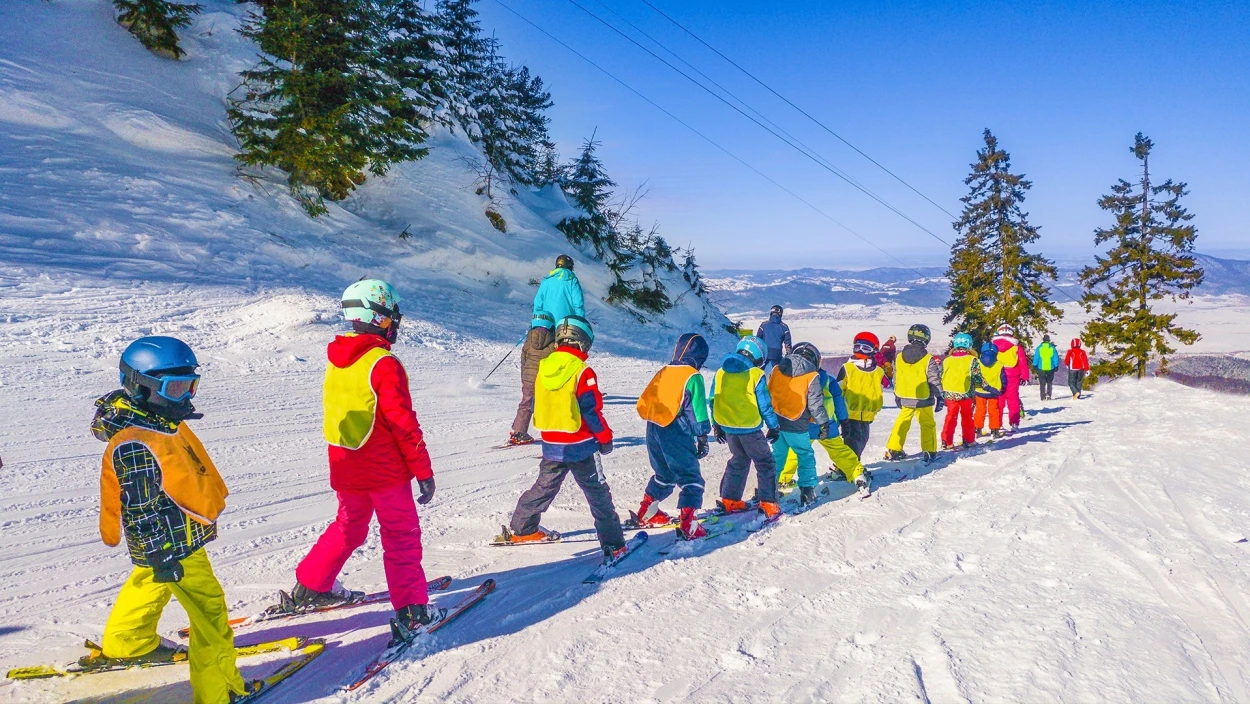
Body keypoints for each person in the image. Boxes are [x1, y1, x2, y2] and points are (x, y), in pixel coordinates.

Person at [91, 336, 251, 704]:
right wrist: (162, 555)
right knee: (211, 620)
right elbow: (139, 509)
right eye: (175, 389)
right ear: (141, 387)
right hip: (176, 545)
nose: (186, 398)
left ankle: (127, 642)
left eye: (190, 386)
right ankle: (219, 693)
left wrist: (155, 559)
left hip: (168, 540)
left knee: (149, 582)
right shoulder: (137, 442)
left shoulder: (154, 420)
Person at [282, 280, 440, 646]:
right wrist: (423, 471)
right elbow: (403, 424)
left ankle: (311, 584)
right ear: (379, 317)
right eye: (392, 317)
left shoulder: (337, 359)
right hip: (384, 471)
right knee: (400, 535)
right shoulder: (383, 363)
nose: (396, 324)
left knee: (349, 527)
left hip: (346, 465)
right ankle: (412, 610)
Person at [502, 316, 627, 562]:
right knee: (597, 492)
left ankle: (522, 527)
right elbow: (591, 411)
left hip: (551, 443)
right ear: (583, 343)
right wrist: (605, 438)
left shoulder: (544, 366)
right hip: (580, 445)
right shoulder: (582, 371)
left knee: (544, 486)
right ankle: (614, 544)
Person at [634, 333, 712, 539]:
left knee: (664, 474)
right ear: (699, 358)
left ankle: (647, 512)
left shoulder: (665, 370)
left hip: (653, 427)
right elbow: (696, 411)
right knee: (690, 476)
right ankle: (689, 523)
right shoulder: (692, 376)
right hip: (675, 429)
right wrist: (702, 436)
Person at [778, 351, 872, 498]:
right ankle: (857, 473)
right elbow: (839, 402)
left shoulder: (792, 380)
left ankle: (784, 479)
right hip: (827, 425)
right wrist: (844, 421)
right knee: (839, 451)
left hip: (802, 426)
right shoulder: (828, 379)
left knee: (795, 452)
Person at [708, 336, 781, 521]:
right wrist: (773, 426)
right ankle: (768, 503)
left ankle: (730, 500)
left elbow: (713, 400)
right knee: (765, 463)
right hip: (750, 429)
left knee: (738, 460)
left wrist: (716, 425)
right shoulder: (756, 374)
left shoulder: (720, 372)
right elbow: (764, 405)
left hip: (729, 428)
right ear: (758, 357)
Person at [767, 342, 831, 507]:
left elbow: (769, 393)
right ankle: (807, 490)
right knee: (805, 454)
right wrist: (823, 423)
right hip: (797, 423)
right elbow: (816, 404)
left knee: (778, 456)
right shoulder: (812, 376)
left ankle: (767, 490)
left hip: (776, 422)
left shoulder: (777, 369)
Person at [884, 324, 941, 462]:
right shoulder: (928, 359)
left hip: (904, 395)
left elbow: (896, 378)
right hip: (923, 397)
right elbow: (934, 379)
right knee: (927, 424)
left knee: (902, 421)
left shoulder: (899, 357)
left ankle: (894, 449)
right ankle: (929, 450)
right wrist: (939, 396)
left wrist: (897, 395)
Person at [509, 313, 556, 445]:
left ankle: (519, 432)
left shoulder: (529, 340)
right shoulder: (553, 341)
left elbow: (524, 359)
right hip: (544, 378)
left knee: (526, 403)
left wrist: (524, 377)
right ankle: (554, 434)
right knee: (549, 404)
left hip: (528, 378)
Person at [836, 331, 885, 459]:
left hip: (868, 413)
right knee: (852, 442)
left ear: (873, 350)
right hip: (850, 414)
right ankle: (848, 468)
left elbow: (880, 388)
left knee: (862, 440)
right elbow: (838, 390)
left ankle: (851, 465)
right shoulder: (848, 368)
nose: (861, 351)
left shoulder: (877, 371)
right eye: (858, 347)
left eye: (865, 347)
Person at [940, 333, 982, 450]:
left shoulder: (947, 360)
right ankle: (969, 439)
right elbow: (977, 376)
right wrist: (987, 387)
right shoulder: (972, 359)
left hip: (949, 392)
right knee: (967, 416)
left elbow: (940, 374)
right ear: (969, 345)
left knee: (950, 416)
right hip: (965, 393)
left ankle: (946, 440)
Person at [992, 324, 1030, 433]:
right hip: (1013, 375)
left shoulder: (993, 345)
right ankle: (1014, 423)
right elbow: (1022, 362)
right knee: (1013, 400)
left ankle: (997, 424)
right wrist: (1025, 377)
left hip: (997, 375)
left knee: (999, 400)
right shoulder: (1016, 346)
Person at [531, 254, 585, 324]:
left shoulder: (547, 280)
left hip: (547, 323)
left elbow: (538, 302)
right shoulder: (572, 281)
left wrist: (536, 322)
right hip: (567, 325)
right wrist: (580, 322)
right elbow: (578, 303)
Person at [974, 342, 1007, 437]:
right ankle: (995, 429)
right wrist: (1003, 388)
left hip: (979, 391)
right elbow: (1003, 378)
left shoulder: (977, 363)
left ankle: (977, 428)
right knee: (994, 410)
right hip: (994, 391)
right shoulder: (999, 364)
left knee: (980, 410)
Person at [755, 305, 792, 371]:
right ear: (780, 314)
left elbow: (758, 339)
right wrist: (789, 355)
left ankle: (758, 380)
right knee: (778, 372)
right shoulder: (784, 327)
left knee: (759, 370)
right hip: (777, 353)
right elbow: (787, 343)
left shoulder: (764, 325)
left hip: (764, 352)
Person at [1033, 334, 1060, 401]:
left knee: (1042, 383)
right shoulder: (1052, 348)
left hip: (1041, 367)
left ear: (1043, 340)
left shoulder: (1039, 348)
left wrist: (1034, 365)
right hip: (1050, 367)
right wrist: (1056, 366)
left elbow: (1036, 357)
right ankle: (1049, 395)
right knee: (1049, 382)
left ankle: (1042, 397)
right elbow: (1055, 358)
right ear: (1049, 340)